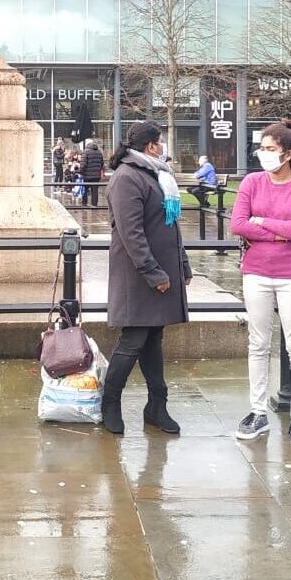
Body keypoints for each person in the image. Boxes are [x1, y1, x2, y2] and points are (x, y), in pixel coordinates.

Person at [231, 119, 291, 447]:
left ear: (287, 154)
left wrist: (261, 221)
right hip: (255, 272)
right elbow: (238, 224)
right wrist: (282, 228)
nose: (264, 154)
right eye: (262, 148)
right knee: (258, 342)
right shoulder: (252, 182)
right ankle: (257, 411)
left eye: (271, 149)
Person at [101, 121, 191, 435]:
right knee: (133, 340)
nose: (163, 146)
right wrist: (153, 272)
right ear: (151, 146)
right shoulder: (127, 177)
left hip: (160, 271)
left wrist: (182, 265)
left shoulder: (156, 175)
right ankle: (109, 403)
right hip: (138, 275)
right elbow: (131, 233)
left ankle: (156, 406)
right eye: (161, 142)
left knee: (153, 338)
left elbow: (171, 225)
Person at [82, 141, 105, 206]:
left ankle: (84, 203)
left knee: (85, 190)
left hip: (87, 175)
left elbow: (83, 164)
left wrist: (80, 172)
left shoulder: (85, 152)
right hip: (96, 175)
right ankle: (94, 204)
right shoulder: (99, 152)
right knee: (95, 190)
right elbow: (102, 164)